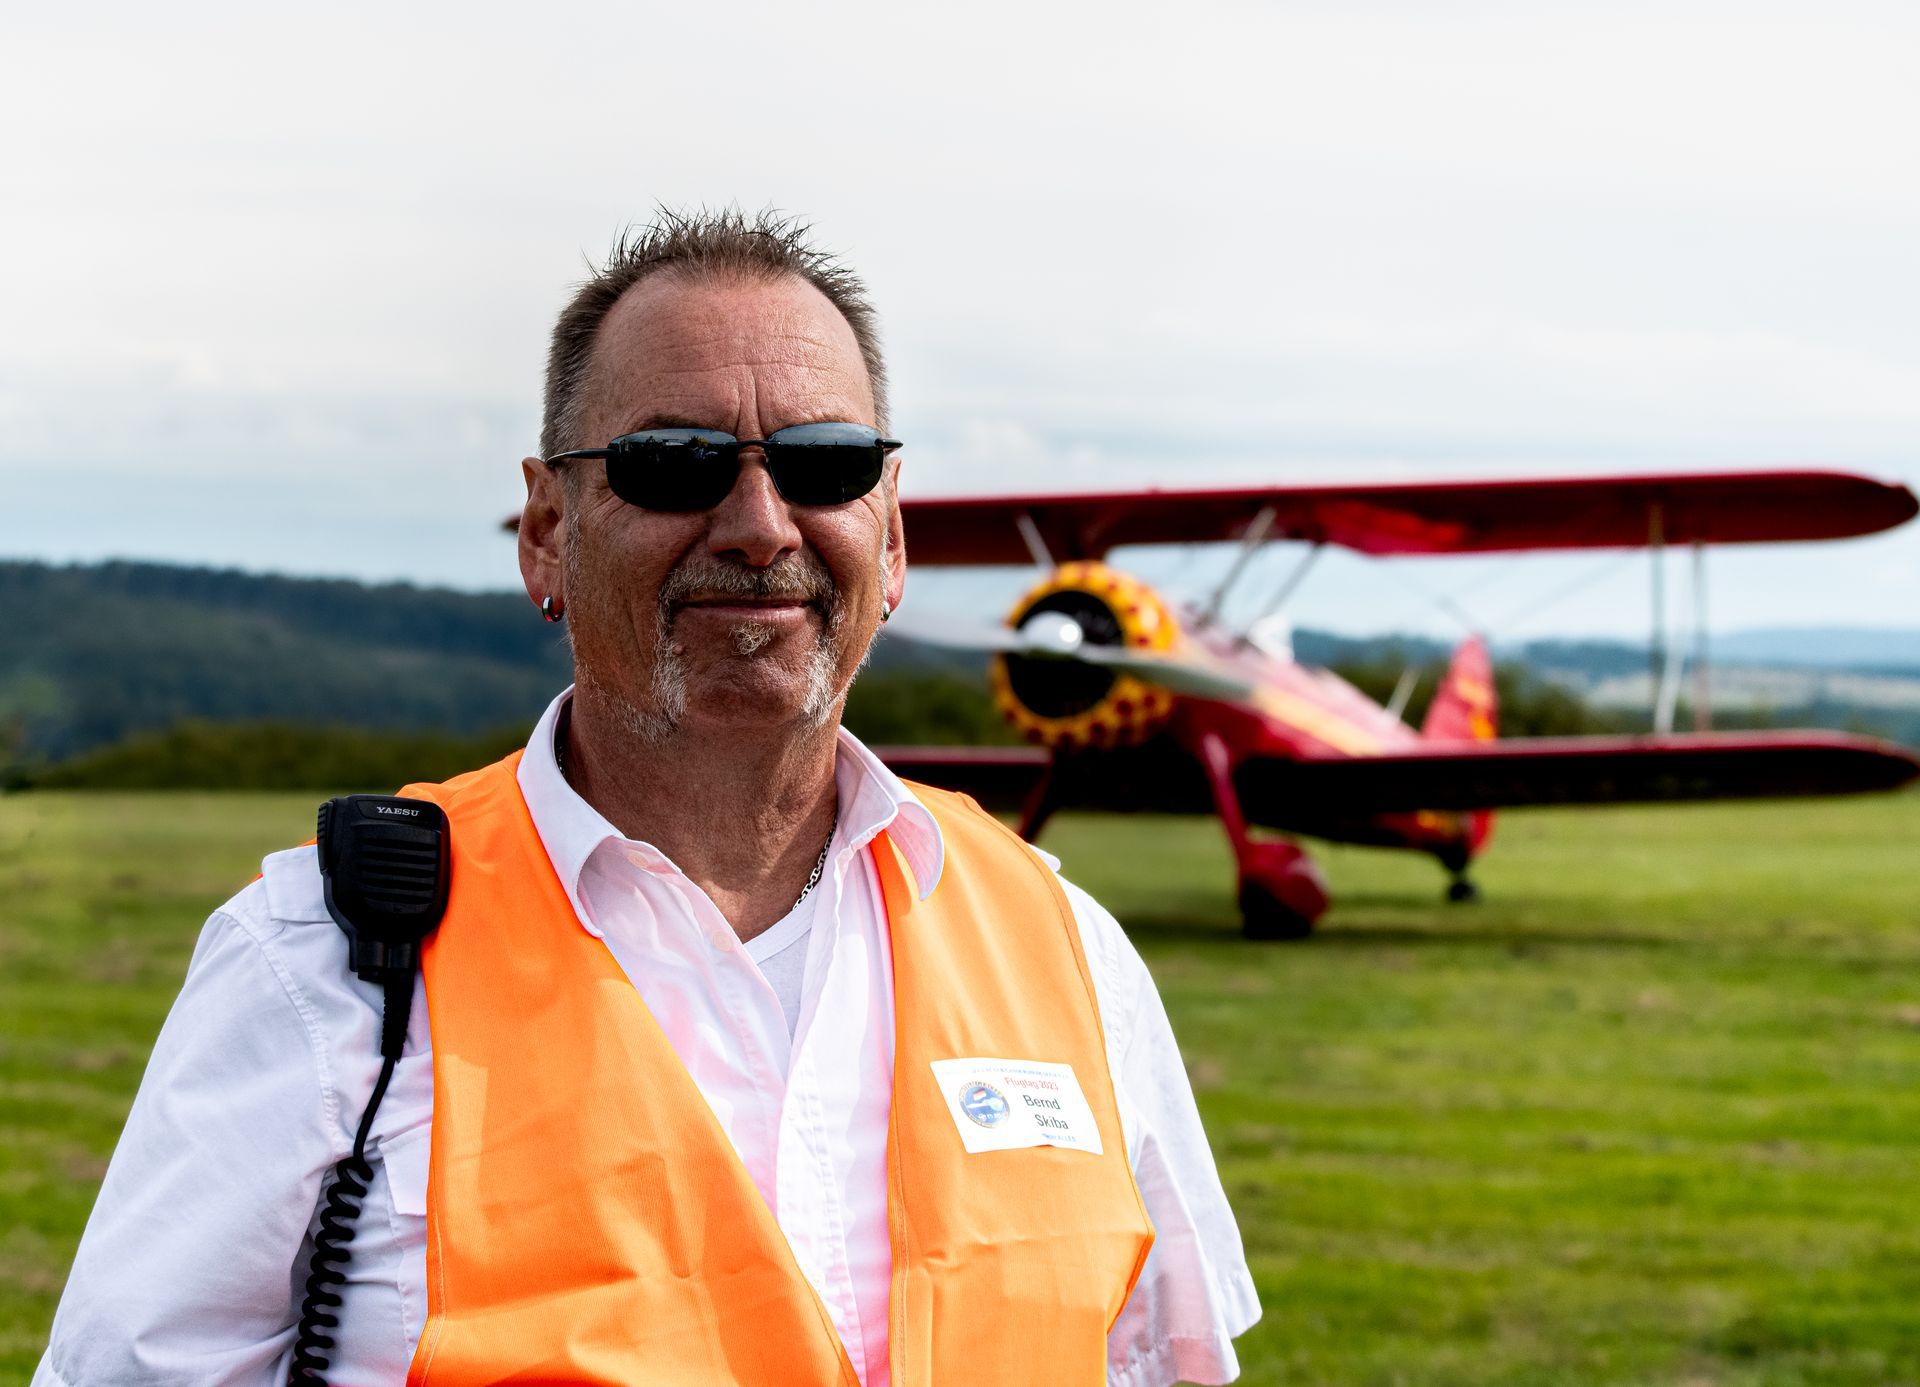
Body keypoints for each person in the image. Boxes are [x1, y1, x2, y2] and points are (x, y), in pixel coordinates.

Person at [34, 209, 1259, 1386]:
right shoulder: (320, 960)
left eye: (825, 463)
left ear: (890, 539)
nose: (759, 525)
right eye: (674, 464)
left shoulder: (1067, 947)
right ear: (546, 532)